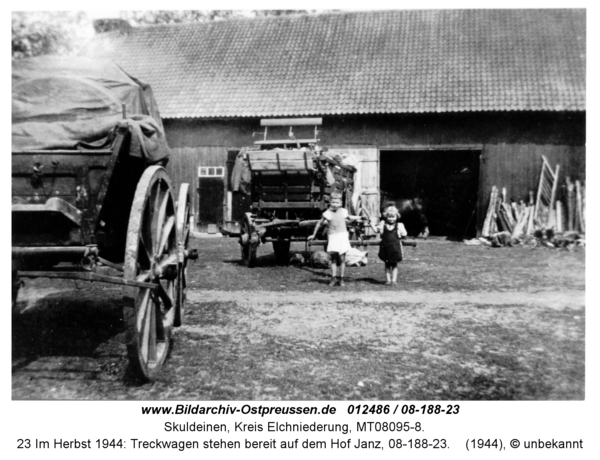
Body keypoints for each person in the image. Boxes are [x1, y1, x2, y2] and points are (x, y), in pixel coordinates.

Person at [308, 193, 362, 286]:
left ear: (341, 203)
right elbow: (319, 223)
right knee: (333, 259)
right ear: (330, 202)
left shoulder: (344, 211)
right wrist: (313, 234)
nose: (335, 204)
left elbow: (349, 217)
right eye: (333, 202)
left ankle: (341, 279)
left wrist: (359, 217)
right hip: (333, 237)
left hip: (343, 236)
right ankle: (333, 278)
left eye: (337, 202)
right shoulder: (327, 213)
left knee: (342, 259)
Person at [369, 203, 407, 285]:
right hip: (385, 247)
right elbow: (376, 230)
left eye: (393, 217)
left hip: (395, 248)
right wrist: (371, 223)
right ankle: (388, 280)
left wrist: (402, 235)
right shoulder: (383, 225)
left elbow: (404, 234)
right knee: (387, 264)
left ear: (396, 217)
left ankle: (394, 280)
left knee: (394, 264)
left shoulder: (399, 225)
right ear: (386, 217)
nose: (391, 219)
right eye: (389, 217)